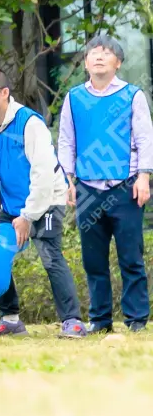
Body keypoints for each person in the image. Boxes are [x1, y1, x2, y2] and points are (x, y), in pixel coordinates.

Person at [0, 66, 85, 339]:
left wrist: (28, 216)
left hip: (47, 199)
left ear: (4, 93)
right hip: (11, 204)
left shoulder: (30, 123)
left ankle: (73, 322)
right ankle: (10, 319)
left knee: (50, 256)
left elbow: (43, 174)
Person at [56, 34, 153, 333]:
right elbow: (66, 141)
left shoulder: (133, 95)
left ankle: (136, 319)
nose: (98, 57)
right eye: (93, 53)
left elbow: (145, 138)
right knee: (93, 261)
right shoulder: (74, 98)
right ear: (85, 63)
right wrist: (66, 179)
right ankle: (100, 320)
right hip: (87, 188)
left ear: (118, 62)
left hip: (126, 186)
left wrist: (144, 176)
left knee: (131, 257)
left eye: (106, 53)